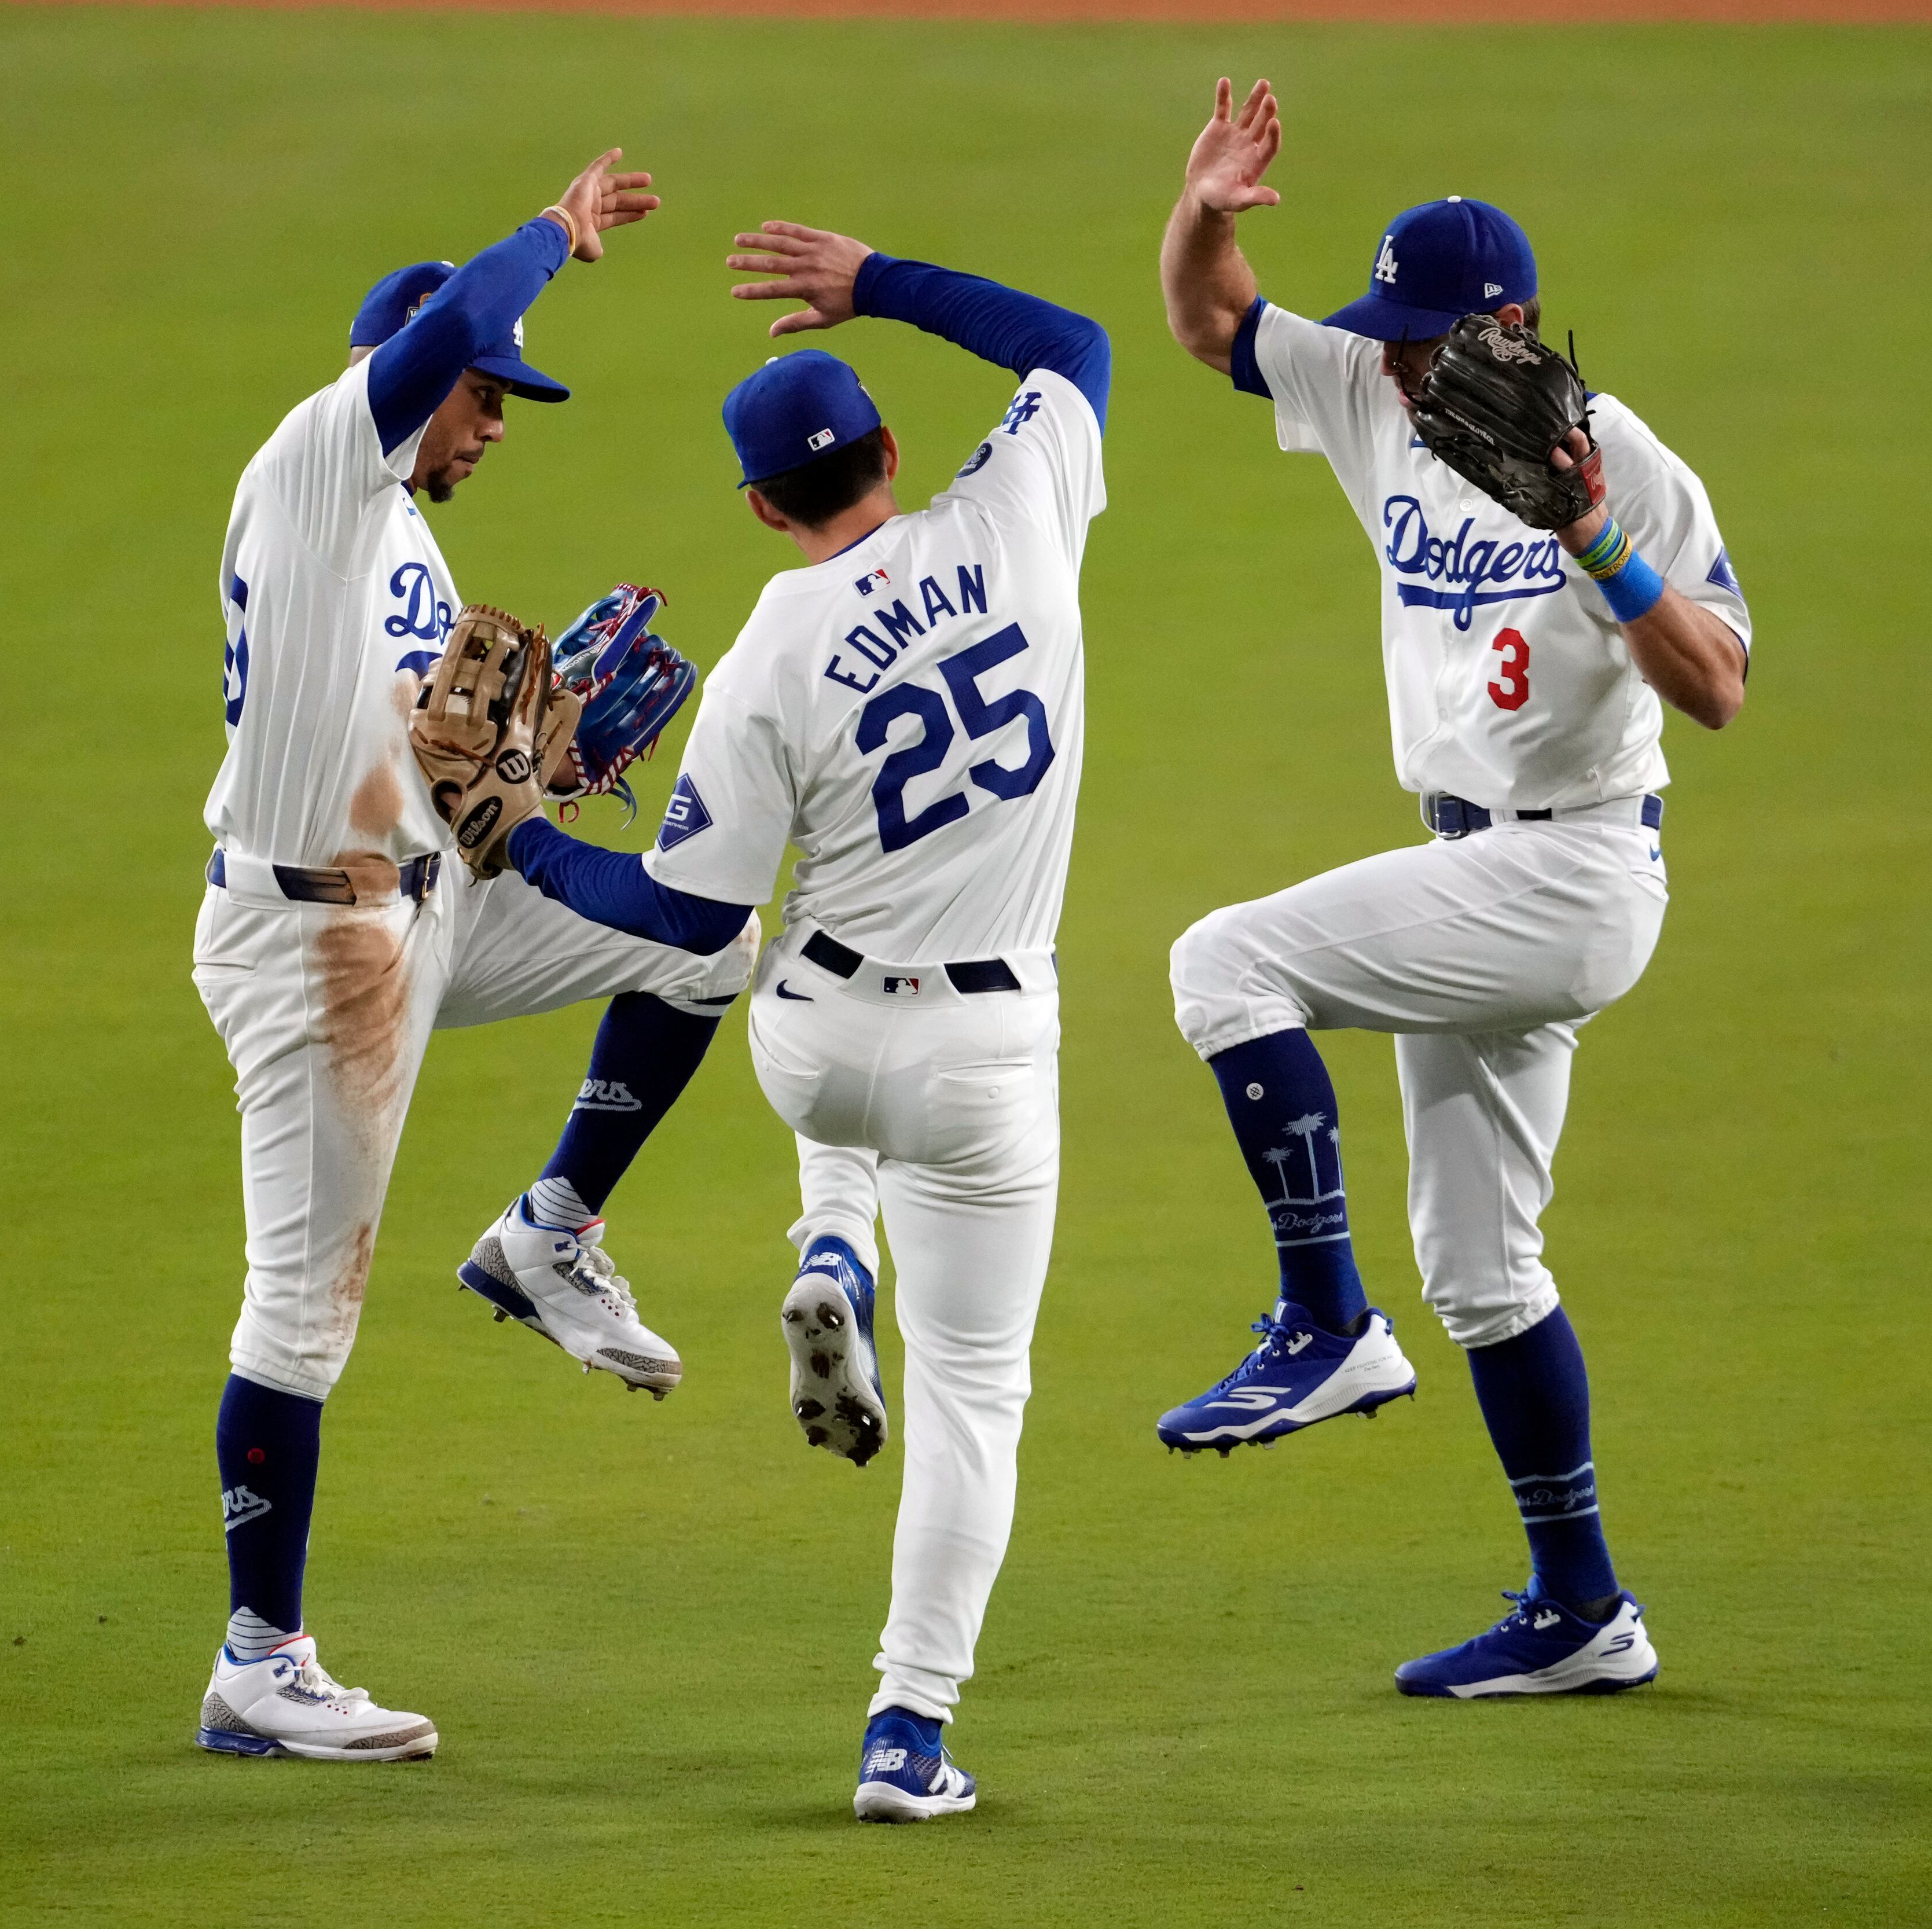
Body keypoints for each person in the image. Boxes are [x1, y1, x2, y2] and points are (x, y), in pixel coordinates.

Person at [495, 219, 1108, 1818]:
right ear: (893, 450)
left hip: (818, 1051)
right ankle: (908, 1731)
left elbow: (684, 921)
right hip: (989, 1067)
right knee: (972, 1401)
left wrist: (526, 835)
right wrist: (879, 283)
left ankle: (833, 1238)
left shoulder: (769, 648)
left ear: (763, 508)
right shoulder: (1019, 514)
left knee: (769, 952)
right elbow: (1074, 346)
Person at [1153, 79, 1751, 1698]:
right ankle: (1585, 1612)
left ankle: (1324, 1323)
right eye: (1396, 340)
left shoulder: (1629, 463)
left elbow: (1716, 689)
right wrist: (1201, 211)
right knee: (1486, 1277)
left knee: (1225, 964)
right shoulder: (1379, 396)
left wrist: (1600, 540)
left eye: (1432, 343)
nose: (1407, 367)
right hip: (1470, 863)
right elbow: (1215, 325)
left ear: (1516, 331)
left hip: (1576, 865)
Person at [191, 150, 761, 1763]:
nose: (497, 422)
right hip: (315, 948)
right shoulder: (319, 464)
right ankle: (258, 1663)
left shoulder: (400, 535)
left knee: (703, 937)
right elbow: (455, 328)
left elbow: (433, 761)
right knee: (301, 1317)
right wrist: (555, 236)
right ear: (408, 378)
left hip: (426, 902)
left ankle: (549, 1238)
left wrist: (538, 770)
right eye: (485, 395)